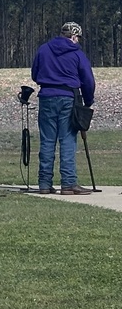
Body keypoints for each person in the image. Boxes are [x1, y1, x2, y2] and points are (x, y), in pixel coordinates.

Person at [31, 21, 96, 195]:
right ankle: (68, 183)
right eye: (78, 37)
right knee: (67, 140)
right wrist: (88, 101)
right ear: (73, 36)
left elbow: (35, 74)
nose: (78, 41)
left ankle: (44, 183)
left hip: (46, 97)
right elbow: (88, 80)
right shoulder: (77, 53)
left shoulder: (44, 49)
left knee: (47, 141)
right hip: (68, 98)